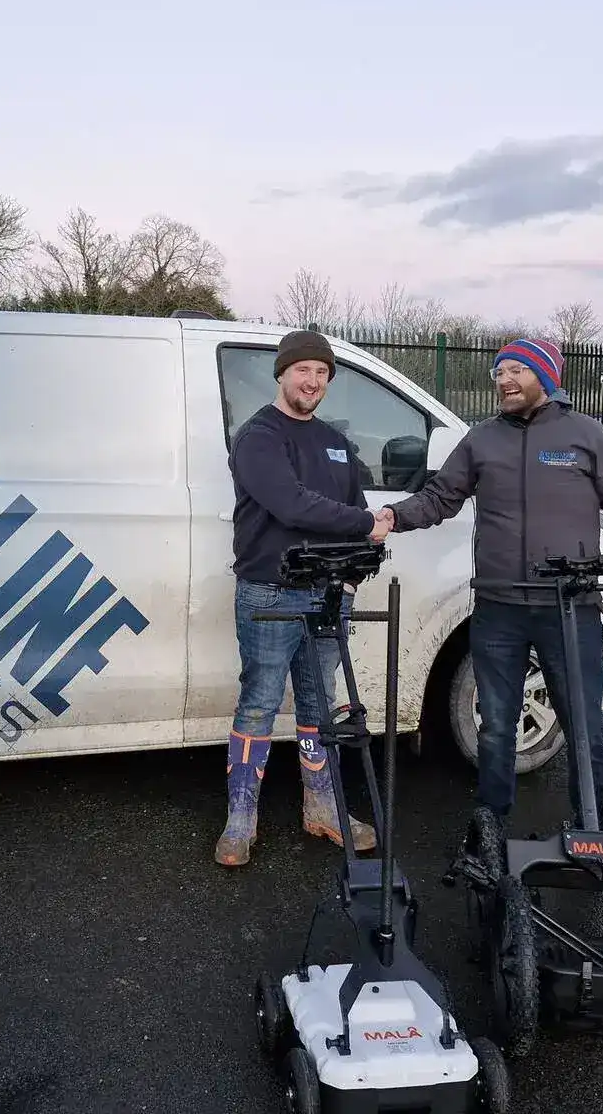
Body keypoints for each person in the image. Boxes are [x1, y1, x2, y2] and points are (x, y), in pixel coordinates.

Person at [373, 338, 603, 834]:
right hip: (498, 608)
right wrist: (393, 516)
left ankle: (594, 824)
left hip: (568, 609)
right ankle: (491, 824)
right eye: (499, 371)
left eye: (517, 370)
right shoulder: (483, 440)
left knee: (583, 721)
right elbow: (441, 497)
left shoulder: (586, 437)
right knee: (496, 724)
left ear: (546, 378)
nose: (504, 380)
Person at [215, 329, 389, 867]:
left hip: (328, 593)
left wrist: (355, 571)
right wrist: (367, 523)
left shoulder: (335, 441)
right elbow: (291, 505)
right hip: (270, 591)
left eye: (322, 373)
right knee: (261, 700)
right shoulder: (258, 437)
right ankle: (240, 819)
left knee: (318, 703)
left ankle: (323, 808)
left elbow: (354, 507)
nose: (312, 381)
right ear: (282, 374)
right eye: (302, 370)